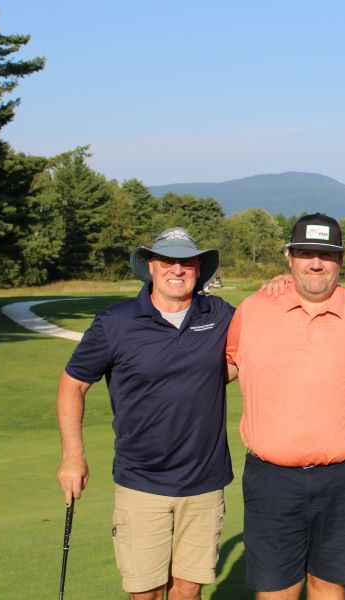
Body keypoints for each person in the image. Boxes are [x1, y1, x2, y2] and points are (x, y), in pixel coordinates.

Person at [56, 227, 235, 600]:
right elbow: (73, 384)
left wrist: (282, 285)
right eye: (167, 260)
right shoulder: (115, 322)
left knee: (189, 591)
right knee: (145, 593)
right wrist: (73, 456)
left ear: (198, 269)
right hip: (142, 481)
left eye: (186, 262)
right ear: (150, 266)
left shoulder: (219, 314)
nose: (177, 269)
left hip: (204, 482)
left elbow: (256, 342)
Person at [226, 213, 345, 600]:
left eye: (326, 254)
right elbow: (222, 369)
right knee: (276, 589)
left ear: (340, 260)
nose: (315, 264)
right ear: (290, 257)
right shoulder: (253, 310)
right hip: (271, 478)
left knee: (328, 585)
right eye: (305, 253)